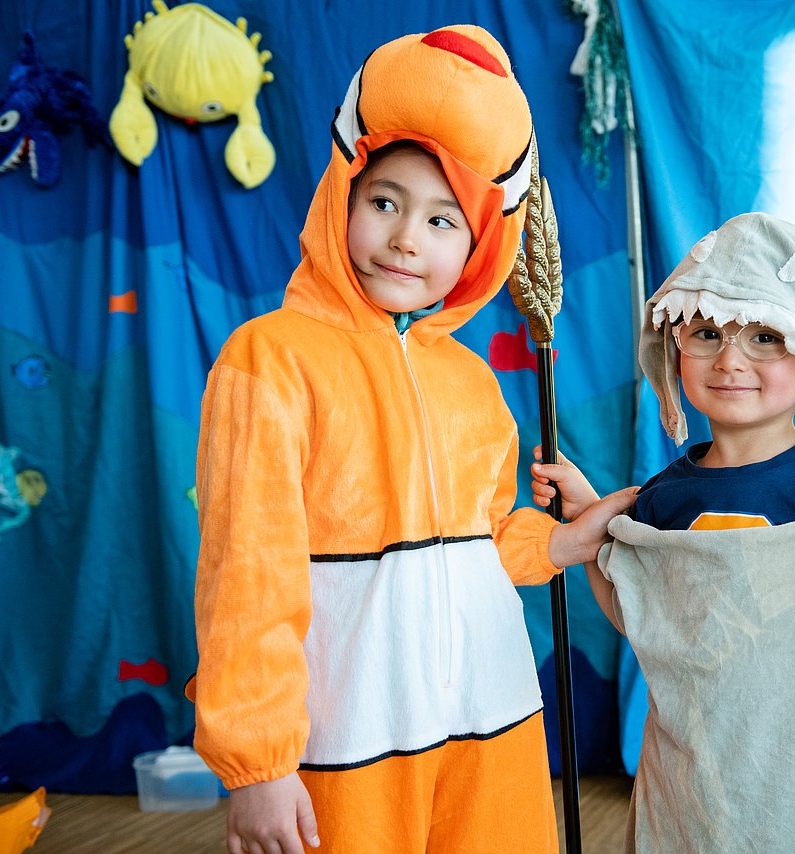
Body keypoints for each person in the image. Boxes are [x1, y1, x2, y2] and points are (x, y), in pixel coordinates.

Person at [186, 27, 634, 854]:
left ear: (477, 249)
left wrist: (567, 540)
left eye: (442, 220)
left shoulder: (472, 382)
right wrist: (258, 762)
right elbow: (245, 574)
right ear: (342, 196)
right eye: (385, 202)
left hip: (488, 718)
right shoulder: (270, 360)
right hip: (352, 738)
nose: (405, 239)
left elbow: (480, 547)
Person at [532, 212, 795, 853]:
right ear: (676, 347)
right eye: (706, 333)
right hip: (688, 795)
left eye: (765, 336)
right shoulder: (664, 498)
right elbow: (640, 615)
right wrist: (593, 522)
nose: (730, 360)